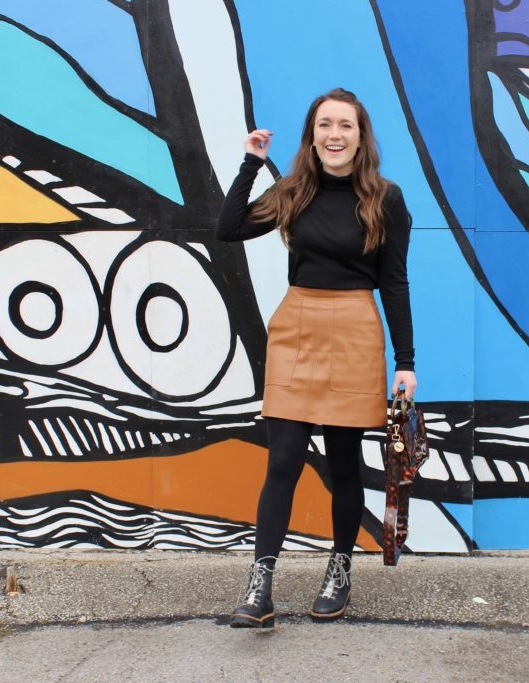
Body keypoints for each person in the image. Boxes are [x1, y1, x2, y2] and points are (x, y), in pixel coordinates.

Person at [215, 87, 417, 628]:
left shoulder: (385, 199)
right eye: (325, 124)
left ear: (360, 135)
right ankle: (260, 586)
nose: (334, 134)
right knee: (281, 461)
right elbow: (228, 229)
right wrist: (250, 163)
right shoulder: (293, 190)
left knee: (344, 464)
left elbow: (394, 282)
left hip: (355, 329)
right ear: (312, 136)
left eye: (345, 125)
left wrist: (406, 362)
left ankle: (340, 571)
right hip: (297, 326)